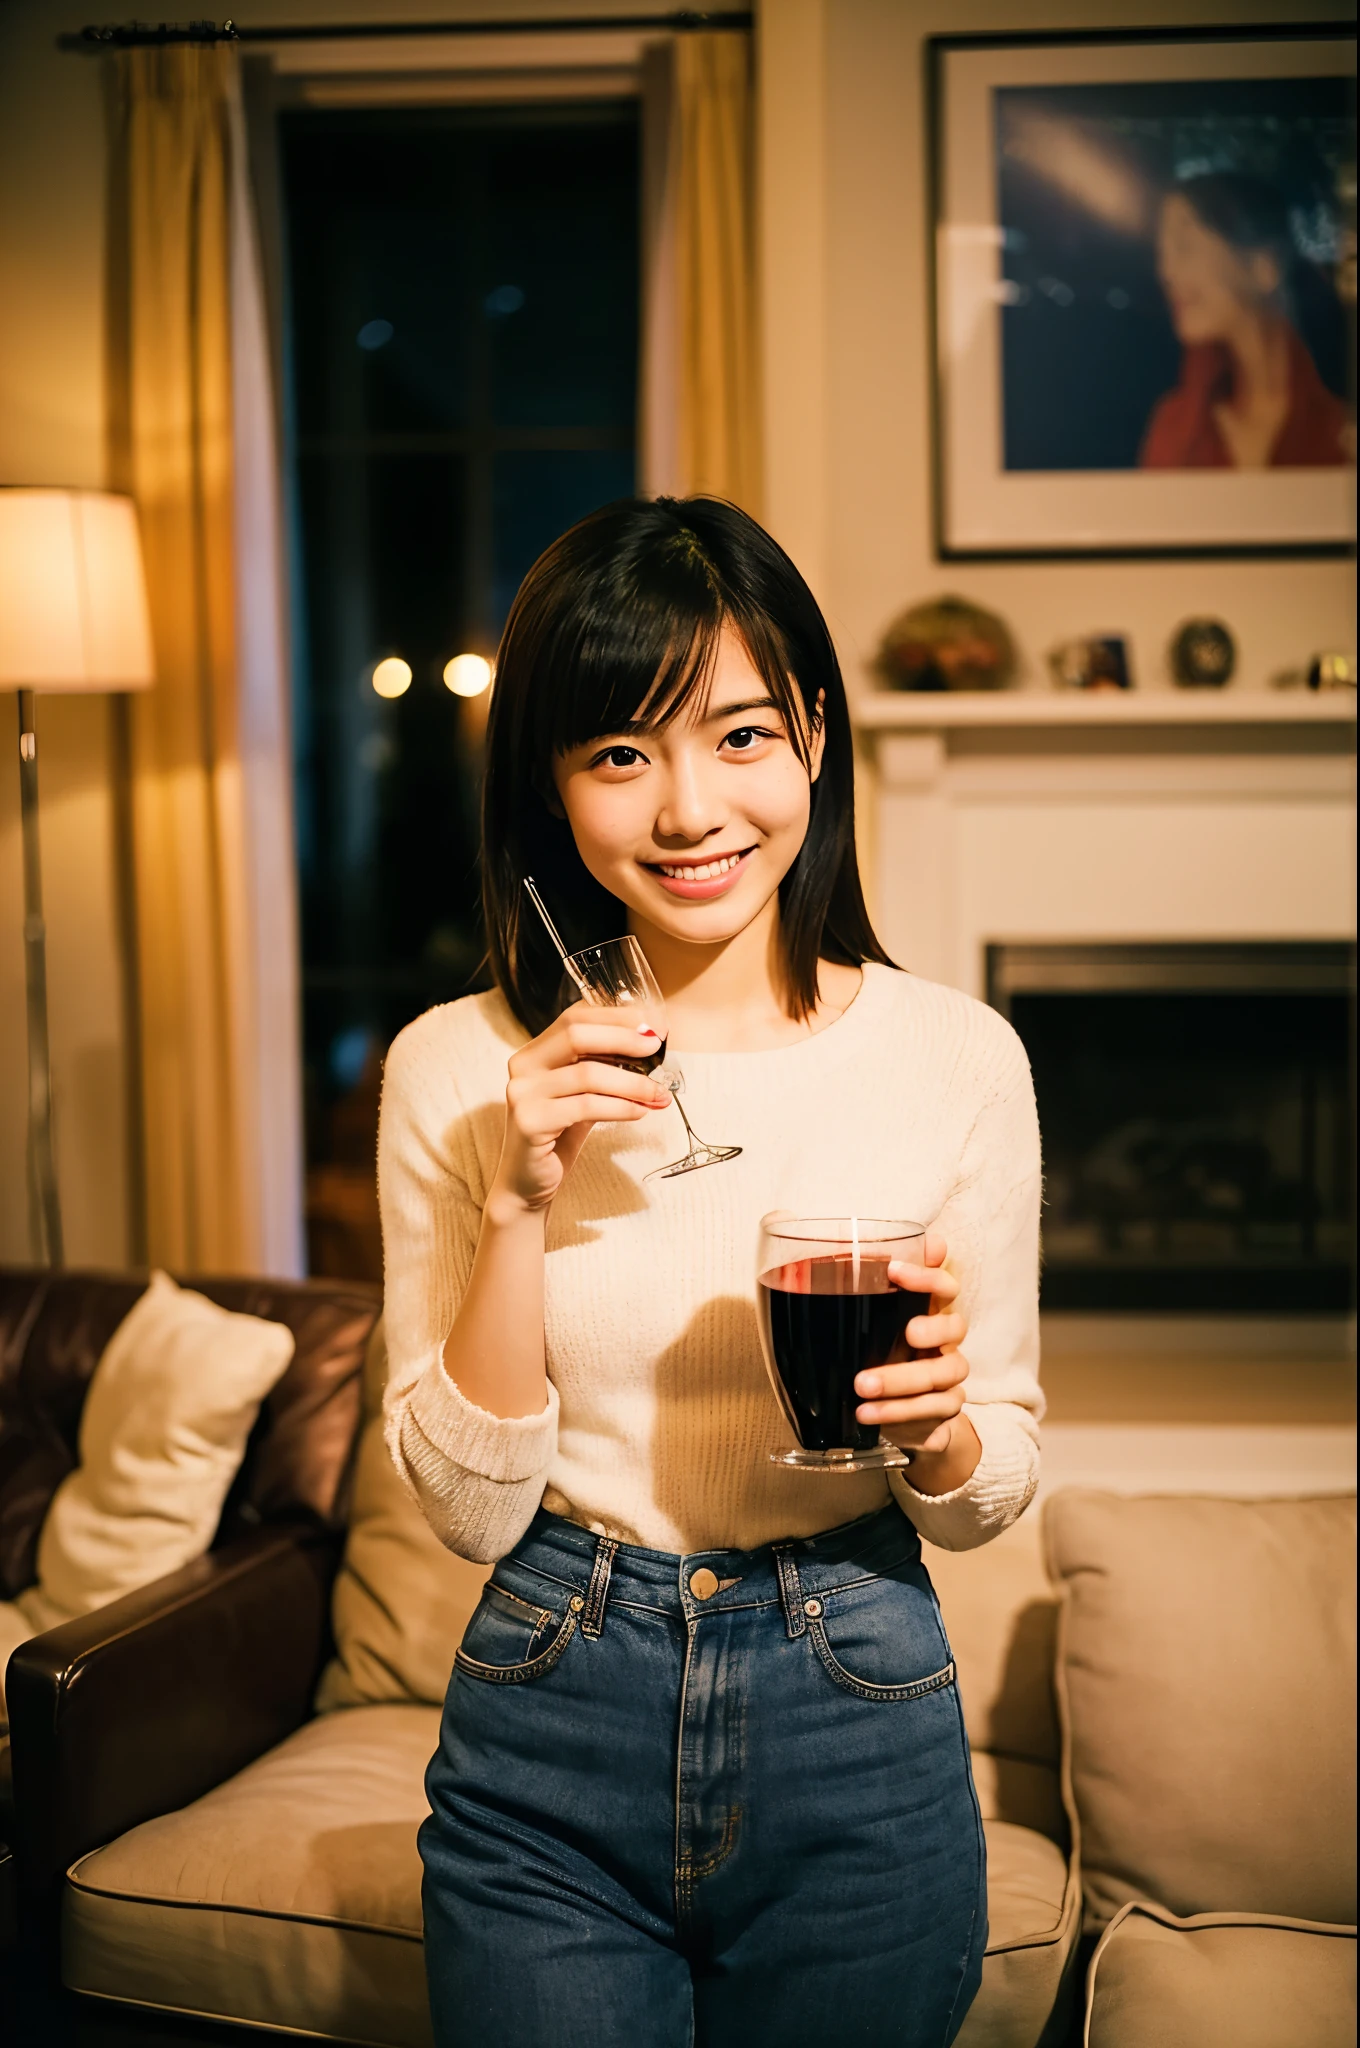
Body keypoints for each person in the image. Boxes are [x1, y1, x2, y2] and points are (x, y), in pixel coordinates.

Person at [379, 497, 1043, 2048]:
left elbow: (991, 1485)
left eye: (739, 736)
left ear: (813, 731)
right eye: (620, 754)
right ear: (551, 783)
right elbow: (471, 1512)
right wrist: (520, 1198)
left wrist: (939, 1427)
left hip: (855, 1686)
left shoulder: (953, 1056)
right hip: (551, 1692)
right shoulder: (457, 1066)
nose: (689, 812)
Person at [1142, 171, 1351, 470]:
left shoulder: (1341, 421)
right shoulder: (1177, 427)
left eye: (1185, 247)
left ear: (1265, 265)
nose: (1166, 272)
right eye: (1161, 254)